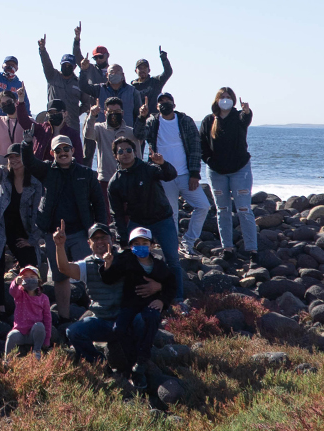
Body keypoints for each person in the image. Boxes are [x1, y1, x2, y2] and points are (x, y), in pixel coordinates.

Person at [23, 134, 108, 320]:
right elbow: (29, 162)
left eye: (66, 149)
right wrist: (27, 143)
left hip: (81, 233)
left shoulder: (86, 173)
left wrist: (102, 230)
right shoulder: (46, 170)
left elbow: (99, 203)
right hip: (54, 235)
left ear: (73, 151)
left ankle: (97, 313)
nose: (63, 153)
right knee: (60, 277)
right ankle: (64, 317)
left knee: (90, 272)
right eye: (58, 150)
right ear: (52, 153)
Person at [53, 221, 160, 366]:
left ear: (112, 239)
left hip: (127, 318)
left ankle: (140, 362)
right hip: (101, 320)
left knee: (143, 318)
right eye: (95, 239)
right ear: (89, 243)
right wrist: (59, 246)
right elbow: (64, 269)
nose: (100, 242)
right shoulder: (87, 265)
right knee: (73, 331)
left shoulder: (126, 259)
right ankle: (100, 363)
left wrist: (158, 286)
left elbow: (156, 272)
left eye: (103, 237)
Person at [106, 137, 184, 306]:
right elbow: (117, 214)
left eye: (128, 150)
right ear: (115, 156)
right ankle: (141, 296)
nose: (125, 154)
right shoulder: (115, 183)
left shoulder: (148, 169)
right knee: (134, 261)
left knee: (172, 260)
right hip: (138, 224)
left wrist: (162, 163)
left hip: (162, 219)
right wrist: (123, 239)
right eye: (120, 151)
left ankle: (178, 298)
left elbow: (170, 175)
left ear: (135, 152)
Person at [101, 226, 175, 388]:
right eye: (136, 243)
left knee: (152, 317)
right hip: (130, 304)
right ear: (130, 246)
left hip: (150, 305)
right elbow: (109, 278)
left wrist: (162, 299)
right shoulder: (126, 261)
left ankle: (141, 363)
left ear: (152, 245)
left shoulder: (159, 265)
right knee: (118, 330)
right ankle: (123, 364)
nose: (141, 246)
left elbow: (171, 285)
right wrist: (107, 264)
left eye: (144, 243)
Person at [143, 92, 210, 258]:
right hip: (164, 176)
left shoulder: (185, 121)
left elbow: (195, 147)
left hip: (186, 175)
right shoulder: (152, 122)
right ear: (157, 106)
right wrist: (140, 117)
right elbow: (138, 135)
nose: (164, 104)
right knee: (171, 213)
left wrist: (195, 173)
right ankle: (172, 248)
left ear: (174, 103)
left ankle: (188, 241)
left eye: (168, 101)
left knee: (203, 205)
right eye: (161, 102)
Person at [0, 143, 42, 313]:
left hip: (22, 230)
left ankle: (31, 303)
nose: (14, 160)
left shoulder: (35, 183)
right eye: (11, 157)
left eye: (17, 156)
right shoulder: (5, 175)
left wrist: (33, 239)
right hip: (0, 226)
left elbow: (39, 213)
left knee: (30, 264)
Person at [199, 88, 256, 262]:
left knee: (244, 210)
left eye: (228, 97)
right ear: (216, 100)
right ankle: (228, 248)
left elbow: (246, 119)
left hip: (240, 169)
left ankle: (252, 250)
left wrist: (247, 111)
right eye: (222, 97)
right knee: (222, 210)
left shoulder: (239, 117)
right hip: (216, 172)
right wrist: (210, 161)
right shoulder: (209, 120)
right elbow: (202, 145)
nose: (225, 100)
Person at [86, 98, 144, 203]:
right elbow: (88, 134)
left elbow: (138, 156)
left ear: (122, 113)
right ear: (105, 113)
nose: (113, 114)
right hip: (106, 179)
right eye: (110, 112)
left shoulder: (131, 132)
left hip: (129, 180)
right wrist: (92, 116)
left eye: (117, 112)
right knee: (107, 214)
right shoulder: (99, 129)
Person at [38, 34, 89, 131]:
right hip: (53, 123)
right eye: (64, 65)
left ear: (74, 67)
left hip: (72, 125)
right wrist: (42, 50)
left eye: (69, 65)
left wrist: (74, 112)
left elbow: (86, 103)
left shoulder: (79, 83)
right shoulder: (53, 76)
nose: (66, 67)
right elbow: (46, 64)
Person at [80, 63, 144, 136]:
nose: (114, 74)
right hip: (104, 134)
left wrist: (138, 135)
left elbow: (139, 114)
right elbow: (84, 87)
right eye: (112, 72)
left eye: (117, 72)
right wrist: (84, 70)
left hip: (126, 134)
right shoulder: (99, 89)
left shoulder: (133, 92)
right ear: (107, 75)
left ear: (123, 75)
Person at [4, 266, 52, 360]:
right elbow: (12, 291)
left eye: (32, 277)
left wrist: (47, 339)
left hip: (34, 333)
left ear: (38, 280)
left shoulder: (44, 298)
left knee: (40, 326)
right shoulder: (19, 295)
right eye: (25, 277)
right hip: (20, 333)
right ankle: (7, 360)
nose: (29, 279)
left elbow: (47, 319)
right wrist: (15, 282)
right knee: (11, 336)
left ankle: (37, 351)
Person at [29, 99, 85, 164]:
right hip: (42, 170)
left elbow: (78, 158)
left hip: (64, 171)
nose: (54, 115)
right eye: (51, 113)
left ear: (65, 113)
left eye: (56, 112)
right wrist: (21, 101)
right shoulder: (41, 129)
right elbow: (24, 121)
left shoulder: (73, 134)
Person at [0, 88, 33, 160]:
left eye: (9, 102)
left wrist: (21, 99)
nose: (6, 105)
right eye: (3, 104)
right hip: (1, 160)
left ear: (15, 101)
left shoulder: (27, 120)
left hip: (22, 159)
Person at [130, 48, 173, 117]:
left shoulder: (156, 82)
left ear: (149, 70)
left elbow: (168, 72)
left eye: (144, 68)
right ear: (136, 70)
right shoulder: (132, 88)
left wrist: (164, 60)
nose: (142, 70)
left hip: (154, 120)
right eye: (140, 68)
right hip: (138, 120)